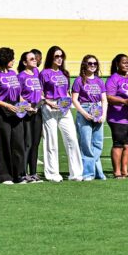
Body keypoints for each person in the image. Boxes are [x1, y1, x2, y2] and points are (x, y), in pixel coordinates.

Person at [40, 46, 83, 182]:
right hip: (50, 108)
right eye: (56, 56)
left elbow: (67, 91)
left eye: (61, 56)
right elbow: (39, 93)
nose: (59, 59)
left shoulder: (65, 73)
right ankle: (52, 174)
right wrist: (48, 102)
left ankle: (76, 173)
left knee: (72, 139)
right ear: (51, 58)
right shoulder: (44, 73)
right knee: (51, 140)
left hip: (64, 109)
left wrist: (68, 100)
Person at [0, 47, 26, 185]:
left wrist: (24, 103)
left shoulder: (13, 73)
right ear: (4, 60)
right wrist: (6, 105)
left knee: (18, 144)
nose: (13, 61)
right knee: (4, 145)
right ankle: (5, 176)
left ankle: (19, 175)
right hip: (2, 113)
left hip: (16, 111)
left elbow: (18, 93)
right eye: (11, 58)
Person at [72, 54, 108, 180]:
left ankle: (98, 172)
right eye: (90, 63)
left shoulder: (99, 81)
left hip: (98, 109)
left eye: (95, 63)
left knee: (98, 143)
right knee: (86, 143)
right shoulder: (79, 80)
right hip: (85, 109)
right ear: (84, 65)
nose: (93, 66)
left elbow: (104, 99)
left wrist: (103, 114)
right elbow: (75, 100)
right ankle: (88, 173)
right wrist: (84, 113)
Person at [106, 54, 128, 178]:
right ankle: (117, 172)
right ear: (117, 64)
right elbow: (109, 97)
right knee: (118, 144)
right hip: (118, 117)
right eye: (124, 62)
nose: (126, 64)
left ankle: (125, 171)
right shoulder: (113, 79)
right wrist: (124, 101)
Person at [17, 51, 43, 182]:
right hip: (26, 113)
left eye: (35, 59)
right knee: (27, 143)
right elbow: (18, 94)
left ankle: (33, 172)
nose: (35, 60)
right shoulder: (21, 76)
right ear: (24, 62)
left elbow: (39, 91)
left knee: (35, 143)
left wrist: (37, 106)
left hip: (37, 111)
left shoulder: (37, 72)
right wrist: (27, 106)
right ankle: (23, 173)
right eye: (31, 59)